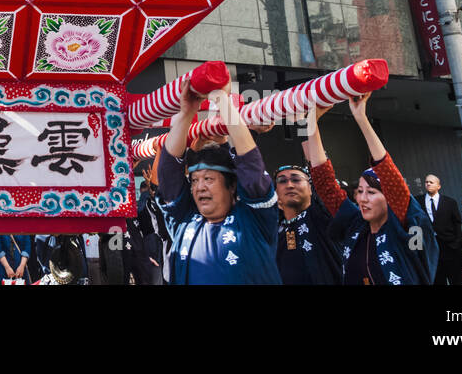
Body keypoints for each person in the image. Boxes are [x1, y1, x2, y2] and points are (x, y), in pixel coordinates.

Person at [304, 93, 438, 285]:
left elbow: (391, 178)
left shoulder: (405, 225)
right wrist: (312, 123)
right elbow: (325, 183)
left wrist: (361, 118)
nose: (362, 198)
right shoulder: (355, 224)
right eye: (359, 191)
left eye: (372, 192)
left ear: (389, 198)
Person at [156, 80, 281, 285]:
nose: (199, 187)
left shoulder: (253, 219)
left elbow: (250, 166)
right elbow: (169, 172)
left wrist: (222, 99)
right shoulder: (184, 220)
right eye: (194, 180)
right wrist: (187, 113)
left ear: (232, 186)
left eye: (208, 179)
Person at [273, 157, 341, 285]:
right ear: (276, 192)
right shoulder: (271, 230)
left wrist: (307, 135)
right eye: (282, 181)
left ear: (311, 188)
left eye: (296, 179)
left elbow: (321, 173)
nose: (289, 185)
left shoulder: (323, 217)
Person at [422, 173, 462, 285]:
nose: (428, 184)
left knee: (456, 279)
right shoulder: (417, 202)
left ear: (439, 186)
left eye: (431, 182)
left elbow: (458, 224)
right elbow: (414, 224)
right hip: (430, 248)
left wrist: (457, 244)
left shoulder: (450, 202)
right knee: (437, 279)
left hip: (450, 247)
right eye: (426, 182)